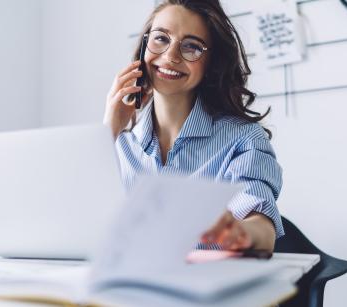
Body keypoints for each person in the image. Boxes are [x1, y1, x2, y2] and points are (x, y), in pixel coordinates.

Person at [103, 0, 283, 253]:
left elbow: (262, 226)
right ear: (144, 45)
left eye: (191, 47)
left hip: (209, 289)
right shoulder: (118, 143)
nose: (170, 56)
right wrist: (108, 130)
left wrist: (240, 233)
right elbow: (74, 220)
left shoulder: (243, 139)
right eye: (161, 39)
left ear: (211, 63)